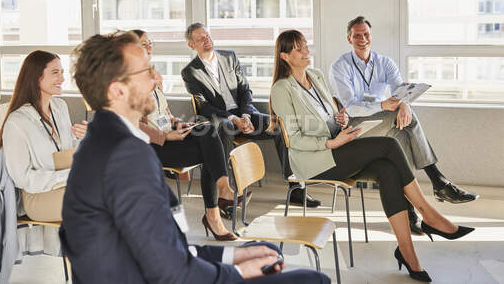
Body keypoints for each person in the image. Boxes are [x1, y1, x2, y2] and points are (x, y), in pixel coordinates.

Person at [61, 30, 330, 284]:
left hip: (163, 269)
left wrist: (233, 255)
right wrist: (236, 272)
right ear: (117, 90)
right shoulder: (126, 158)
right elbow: (172, 273)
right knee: (314, 280)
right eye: (146, 71)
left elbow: (166, 248)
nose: (156, 78)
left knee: (266, 251)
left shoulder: (108, 143)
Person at [270, 30, 475, 282]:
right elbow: (295, 138)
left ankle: (408, 252)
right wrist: (331, 142)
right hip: (315, 162)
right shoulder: (282, 89)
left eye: (305, 46)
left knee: (386, 170)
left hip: (338, 145)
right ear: (285, 56)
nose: (306, 51)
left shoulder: (316, 75)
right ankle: (428, 213)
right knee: (388, 146)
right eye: (299, 48)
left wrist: (340, 120)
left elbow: (330, 116)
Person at [328, 16, 478, 233]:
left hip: (383, 122)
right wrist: (383, 104)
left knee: (399, 136)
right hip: (354, 127)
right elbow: (350, 106)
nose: (362, 39)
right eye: (357, 35)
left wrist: (405, 103)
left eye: (366, 34)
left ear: (371, 36)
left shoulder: (385, 62)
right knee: (402, 123)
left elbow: (401, 90)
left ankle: (409, 211)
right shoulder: (340, 66)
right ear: (349, 39)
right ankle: (439, 182)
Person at [181, 23, 320, 208]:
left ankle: (296, 189)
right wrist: (234, 119)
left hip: (244, 113)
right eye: (200, 38)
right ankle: (226, 195)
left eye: (207, 35)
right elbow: (204, 107)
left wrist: (246, 115)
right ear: (192, 45)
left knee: (280, 126)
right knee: (225, 127)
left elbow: (245, 89)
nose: (206, 40)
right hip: (222, 120)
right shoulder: (190, 72)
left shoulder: (229, 57)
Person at [132, 29, 238, 240]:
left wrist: (177, 124)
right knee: (211, 151)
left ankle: (221, 194)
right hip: (151, 146)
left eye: (149, 43)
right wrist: (166, 137)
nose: (149, 47)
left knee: (207, 128)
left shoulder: (152, 75)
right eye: (143, 44)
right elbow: (132, 124)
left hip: (168, 134)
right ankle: (217, 208)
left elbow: (164, 112)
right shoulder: (125, 82)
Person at [0, 50, 87, 222]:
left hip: (66, 185)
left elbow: (66, 149)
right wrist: (68, 175)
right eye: (55, 73)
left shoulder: (60, 107)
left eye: (62, 73)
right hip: (38, 197)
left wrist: (86, 138)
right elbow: (22, 178)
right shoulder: (17, 122)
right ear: (36, 77)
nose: (62, 79)